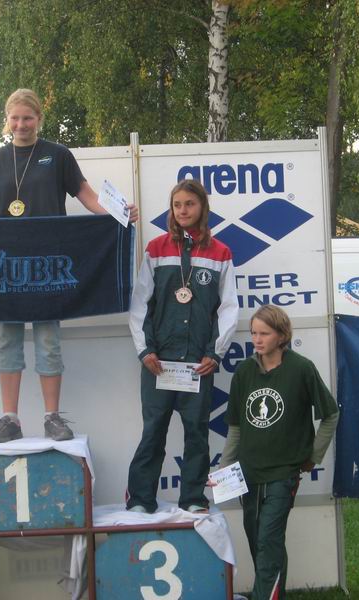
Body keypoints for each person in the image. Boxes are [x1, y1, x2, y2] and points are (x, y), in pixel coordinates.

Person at [0, 88, 137, 443]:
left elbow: (88, 197)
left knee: (48, 342)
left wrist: (119, 213)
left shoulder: (58, 156)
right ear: (6, 120)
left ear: (39, 119)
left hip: (49, 266)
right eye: (15, 118)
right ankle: (9, 419)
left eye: (27, 118)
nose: (21, 124)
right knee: (8, 342)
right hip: (7, 267)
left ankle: (52, 417)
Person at [126, 179, 238, 513]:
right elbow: (140, 304)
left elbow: (228, 308)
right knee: (153, 432)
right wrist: (145, 350)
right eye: (177, 205)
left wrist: (215, 353)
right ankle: (141, 499)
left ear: (202, 207)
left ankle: (192, 497)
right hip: (158, 363)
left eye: (190, 203)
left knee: (197, 433)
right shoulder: (156, 249)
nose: (183, 210)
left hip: (197, 364)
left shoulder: (220, 253)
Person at [214, 304, 339, 599]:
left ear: (282, 335)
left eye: (264, 334)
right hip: (248, 474)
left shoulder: (301, 368)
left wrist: (313, 456)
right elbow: (236, 427)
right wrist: (223, 469)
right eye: (254, 333)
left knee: (268, 540)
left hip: (284, 473)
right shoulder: (244, 372)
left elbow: (330, 414)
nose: (257, 340)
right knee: (259, 541)